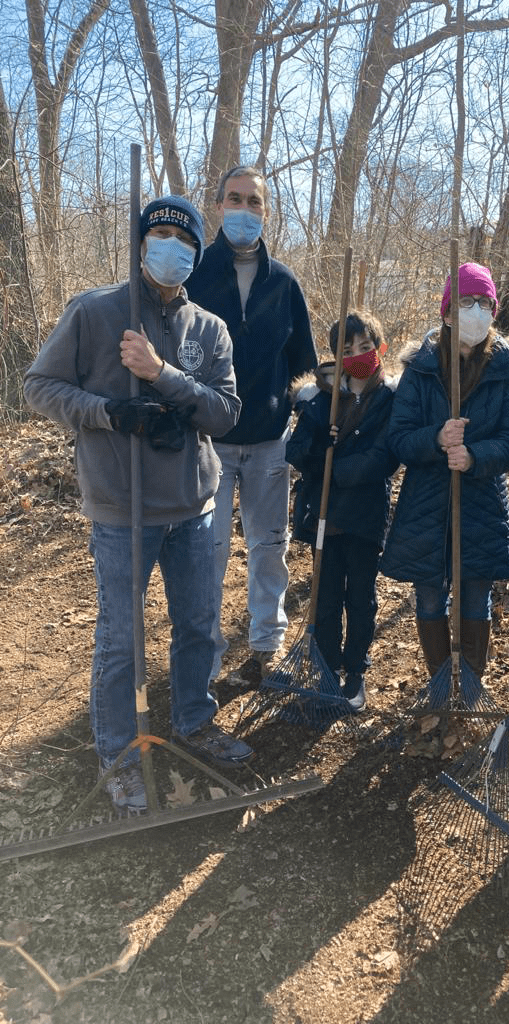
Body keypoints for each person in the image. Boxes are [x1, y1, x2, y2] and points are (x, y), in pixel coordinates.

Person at [24, 195, 253, 812]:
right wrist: (105, 412)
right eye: (159, 235)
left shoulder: (209, 329)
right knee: (122, 640)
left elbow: (226, 414)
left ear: (196, 256)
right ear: (141, 243)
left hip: (194, 506)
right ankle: (120, 753)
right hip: (121, 509)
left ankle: (193, 720)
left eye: (184, 242)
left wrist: (162, 379)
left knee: (200, 626)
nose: (171, 248)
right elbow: (37, 386)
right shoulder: (95, 312)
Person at [186, 166, 317, 689]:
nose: (245, 210)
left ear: (267, 211)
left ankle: (267, 646)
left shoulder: (284, 282)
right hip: (207, 443)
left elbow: (304, 362)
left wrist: (311, 414)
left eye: (255, 202)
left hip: (268, 442)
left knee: (269, 548)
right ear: (219, 207)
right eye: (235, 200)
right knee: (208, 554)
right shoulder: (193, 275)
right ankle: (206, 660)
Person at [379, 263, 509, 685]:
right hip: (426, 503)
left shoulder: (505, 367)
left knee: (476, 593)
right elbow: (399, 438)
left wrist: (475, 456)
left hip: (481, 502)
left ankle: (471, 682)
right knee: (428, 592)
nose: (477, 310)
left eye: (485, 303)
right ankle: (440, 680)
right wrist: (436, 439)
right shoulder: (421, 367)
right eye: (466, 302)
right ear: (447, 311)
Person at [285, 311, 398, 711]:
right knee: (326, 595)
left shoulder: (390, 399)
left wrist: (338, 469)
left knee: (361, 598)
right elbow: (295, 452)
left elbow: (384, 458)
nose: (358, 356)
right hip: (325, 517)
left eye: (365, 347)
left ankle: (355, 672)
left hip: (365, 516)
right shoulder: (322, 398)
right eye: (347, 350)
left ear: (380, 348)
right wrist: (321, 448)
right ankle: (327, 668)